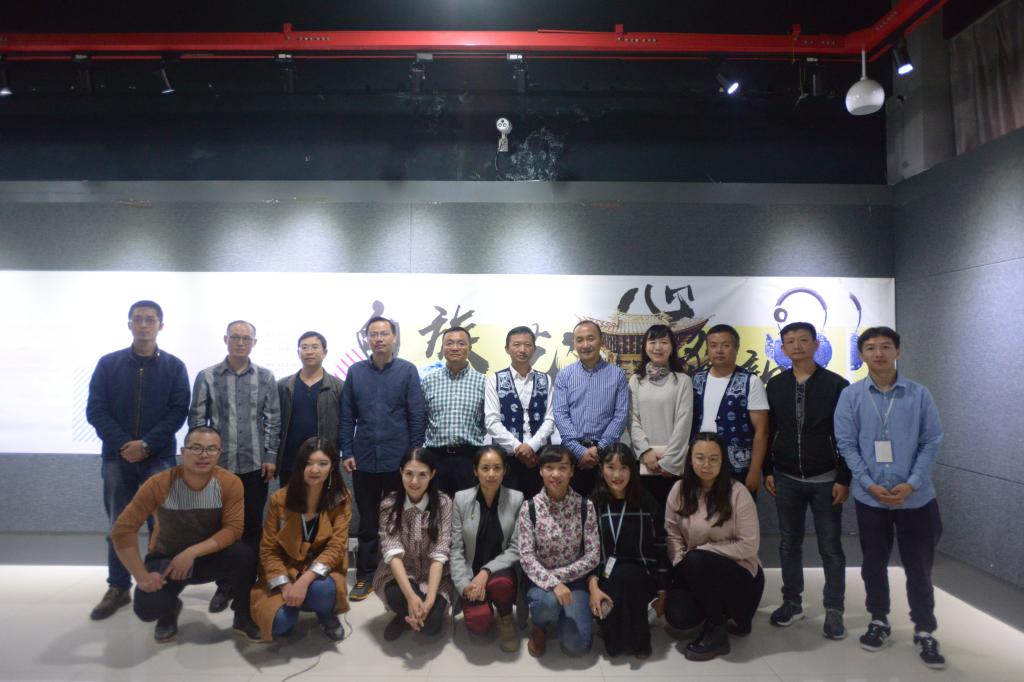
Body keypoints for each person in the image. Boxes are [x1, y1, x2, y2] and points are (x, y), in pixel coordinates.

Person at [834, 326, 946, 670]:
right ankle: (878, 620)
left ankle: (924, 629)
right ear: (861, 355)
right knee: (873, 563)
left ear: (898, 351)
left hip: (916, 499)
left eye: (885, 346)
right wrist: (867, 483)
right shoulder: (851, 396)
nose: (878, 353)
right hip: (871, 498)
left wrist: (912, 483)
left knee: (919, 567)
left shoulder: (918, 394)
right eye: (870, 347)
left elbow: (931, 440)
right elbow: (846, 444)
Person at [86, 300, 191, 620]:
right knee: (120, 524)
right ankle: (118, 587)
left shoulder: (174, 367)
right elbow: (96, 410)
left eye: (150, 319)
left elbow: (178, 412)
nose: (144, 325)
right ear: (129, 324)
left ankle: (159, 584)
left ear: (161, 325)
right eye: (138, 319)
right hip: (116, 459)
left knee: (162, 525)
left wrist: (146, 444)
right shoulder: (108, 364)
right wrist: (124, 444)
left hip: (158, 458)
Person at [111, 426, 261, 642]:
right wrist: (141, 576)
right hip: (167, 560)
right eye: (196, 448)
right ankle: (169, 609)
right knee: (148, 609)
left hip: (207, 558)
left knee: (244, 554)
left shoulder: (229, 482)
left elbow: (233, 530)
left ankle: (242, 616)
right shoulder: (158, 483)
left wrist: (191, 553)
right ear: (183, 452)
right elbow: (123, 530)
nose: (203, 455)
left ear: (219, 453)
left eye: (211, 449)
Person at [764, 321, 851, 638]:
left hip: (826, 478)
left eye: (803, 340)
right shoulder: (775, 385)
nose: (797, 346)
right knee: (789, 544)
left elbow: (847, 436)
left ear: (816, 345)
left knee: (831, 548)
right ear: (783, 348)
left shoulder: (837, 385)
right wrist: (768, 470)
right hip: (786, 476)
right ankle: (792, 602)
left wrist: (844, 477)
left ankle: (834, 609)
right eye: (790, 341)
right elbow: (769, 430)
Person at [189, 320, 281, 613]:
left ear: (254, 342)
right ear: (225, 340)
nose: (240, 342)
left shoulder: (265, 377)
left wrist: (270, 456)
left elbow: (273, 419)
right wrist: (202, 458)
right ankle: (225, 584)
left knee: (252, 526)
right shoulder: (207, 376)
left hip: (254, 465)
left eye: (246, 338)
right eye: (235, 337)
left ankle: (249, 583)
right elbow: (197, 421)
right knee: (222, 526)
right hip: (219, 468)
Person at [339, 316, 426, 602]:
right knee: (367, 521)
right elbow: (347, 416)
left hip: (398, 461)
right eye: (373, 334)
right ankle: (365, 575)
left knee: (400, 519)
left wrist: (414, 457)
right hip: (364, 458)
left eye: (384, 333)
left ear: (394, 337)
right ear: (367, 339)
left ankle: (402, 572)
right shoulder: (355, 372)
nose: (378, 339)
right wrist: (347, 451)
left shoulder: (407, 371)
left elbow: (416, 415)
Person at [664, 432, 764, 662]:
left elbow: (749, 545)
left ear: (723, 461)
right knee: (677, 616)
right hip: (695, 569)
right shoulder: (679, 490)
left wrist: (703, 552)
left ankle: (717, 627)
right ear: (690, 459)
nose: (706, 465)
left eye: (713, 459)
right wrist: (681, 563)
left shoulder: (738, 493)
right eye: (700, 457)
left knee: (697, 560)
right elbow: (672, 534)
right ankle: (718, 610)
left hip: (740, 576)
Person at [250, 437, 351, 642]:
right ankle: (291, 607)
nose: (315, 469)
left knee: (322, 591)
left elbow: (336, 547)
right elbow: (268, 549)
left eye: (322, 463)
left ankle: (325, 613)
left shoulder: (340, 498)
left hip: (320, 571)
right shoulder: (279, 499)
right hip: (285, 569)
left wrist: (305, 581)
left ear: (332, 467)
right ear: (299, 466)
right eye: (308, 463)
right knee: (279, 624)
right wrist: (286, 586)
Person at [518, 444, 600, 657]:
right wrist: (553, 583)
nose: (555, 474)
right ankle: (540, 626)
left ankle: (567, 614)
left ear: (572, 471)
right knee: (547, 603)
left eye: (562, 468)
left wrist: (560, 577)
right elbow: (526, 557)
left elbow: (593, 556)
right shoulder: (529, 507)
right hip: (541, 581)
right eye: (549, 468)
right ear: (540, 471)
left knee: (576, 643)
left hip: (576, 580)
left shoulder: (585, 506)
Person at [587, 443, 666, 659]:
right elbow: (586, 551)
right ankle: (621, 629)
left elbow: (661, 547)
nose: (617, 475)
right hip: (605, 577)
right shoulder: (593, 504)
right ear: (601, 469)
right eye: (611, 467)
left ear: (633, 470)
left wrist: (662, 590)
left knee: (628, 576)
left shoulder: (647, 502)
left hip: (642, 575)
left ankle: (638, 639)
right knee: (614, 647)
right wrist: (592, 586)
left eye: (624, 468)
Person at [372, 448, 454, 641]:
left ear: (432, 474)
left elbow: (439, 554)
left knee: (431, 625)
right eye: (409, 474)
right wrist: (410, 596)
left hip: (434, 575)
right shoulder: (389, 504)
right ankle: (404, 614)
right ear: (401, 472)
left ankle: (414, 613)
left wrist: (430, 599)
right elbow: (392, 554)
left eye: (422, 475)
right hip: (402, 572)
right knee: (397, 596)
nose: (414, 482)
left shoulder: (443, 503)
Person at [450, 446, 525, 651]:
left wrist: (486, 571)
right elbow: (456, 549)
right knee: (479, 624)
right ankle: (485, 607)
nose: (491, 474)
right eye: (485, 468)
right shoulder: (461, 499)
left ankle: (505, 616)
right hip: (470, 574)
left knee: (501, 584)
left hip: (501, 572)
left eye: (497, 468)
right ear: (475, 471)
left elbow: (516, 547)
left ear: (504, 470)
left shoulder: (517, 499)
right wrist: (464, 584)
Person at [552, 320, 630, 496]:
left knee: (604, 504)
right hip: (572, 454)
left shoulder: (617, 374)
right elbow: (560, 413)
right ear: (574, 343)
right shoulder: (564, 375)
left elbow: (620, 416)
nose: (585, 345)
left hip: (607, 455)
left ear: (601, 341)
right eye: (579, 340)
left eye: (590, 338)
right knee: (571, 505)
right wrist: (579, 451)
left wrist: (599, 449)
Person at [690, 324, 769, 493]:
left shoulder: (750, 381)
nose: (719, 350)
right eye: (713, 345)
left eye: (725, 345)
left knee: (737, 507)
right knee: (700, 507)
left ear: (736, 348)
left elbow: (761, 431)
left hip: (737, 465)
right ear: (707, 349)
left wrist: (755, 470)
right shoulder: (696, 380)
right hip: (701, 462)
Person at [484, 325, 556, 498]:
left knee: (539, 506)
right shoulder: (495, 379)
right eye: (516, 345)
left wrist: (531, 446)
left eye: (527, 345)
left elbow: (550, 418)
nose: (522, 349)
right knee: (508, 507)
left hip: (539, 458)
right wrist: (518, 447)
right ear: (507, 349)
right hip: (506, 459)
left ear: (534, 348)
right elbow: (491, 421)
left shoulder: (545, 379)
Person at [627, 323, 694, 507]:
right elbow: (632, 419)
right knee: (646, 514)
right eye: (652, 342)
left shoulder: (683, 381)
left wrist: (670, 461)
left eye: (664, 342)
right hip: (643, 462)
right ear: (645, 346)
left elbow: (684, 423)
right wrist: (644, 451)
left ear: (672, 347)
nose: (658, 347)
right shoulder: (636, 380)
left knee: (674, 514)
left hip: (673, 465)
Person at [422, 327, 486, 497]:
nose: (455, 348)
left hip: (469, 458)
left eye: (461, 343)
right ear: (442, 348)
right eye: (449, 343)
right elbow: (422, 419)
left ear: (469, 348)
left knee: (468, 508)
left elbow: (487, 423)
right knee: (436, 507)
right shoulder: (429, 381)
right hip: (435, 458)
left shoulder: (483, 382)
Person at [276, 332, 343, 487]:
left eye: (315, 347)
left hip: (323, 461)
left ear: (325, 352)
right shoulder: (283, 386)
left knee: (322, 500)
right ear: (298, 352)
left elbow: (344, 423)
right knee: (289, 500)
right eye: (304, 347)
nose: (309, 351)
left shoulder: (338, 387)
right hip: (290, 460)